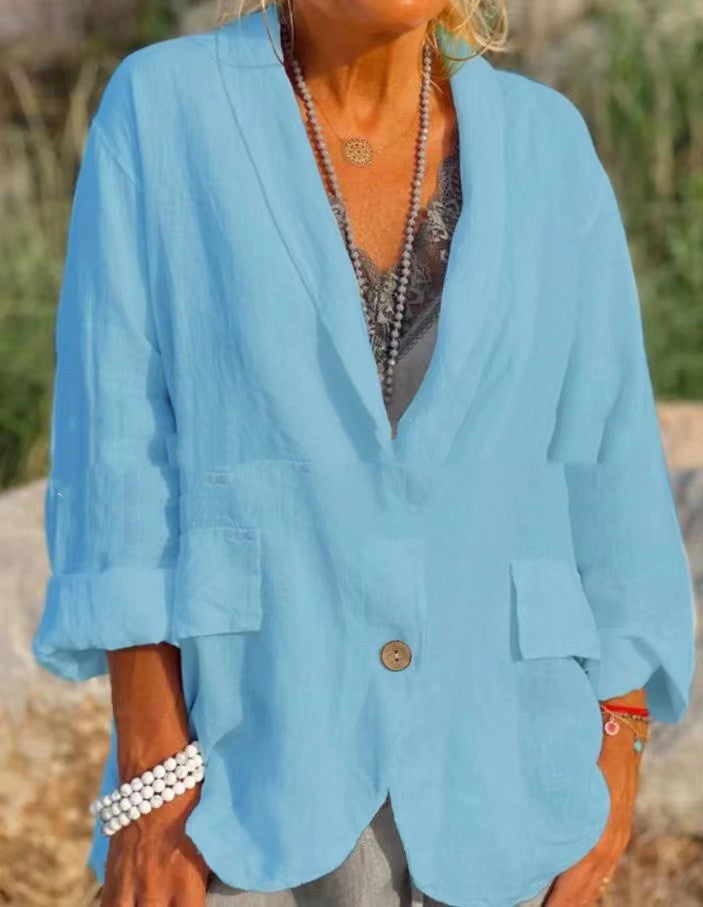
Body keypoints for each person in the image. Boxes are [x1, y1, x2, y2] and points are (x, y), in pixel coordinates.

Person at [31, 1, 696, 905]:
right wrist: (154, 777)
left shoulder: (549, 146)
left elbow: (605, 459)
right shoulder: (163, 110)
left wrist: (619, 735)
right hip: (245, 783)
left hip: (508, 787)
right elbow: (116, 455)